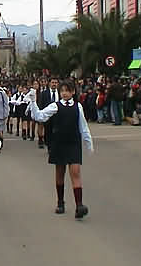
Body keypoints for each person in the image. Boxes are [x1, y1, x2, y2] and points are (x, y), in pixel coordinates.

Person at [28, 80, 93, 220]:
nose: (64, 93)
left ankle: (79, 205)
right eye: (62, 90)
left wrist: (88, 142)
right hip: (59, 142)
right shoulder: (55, 106)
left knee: (75, 172)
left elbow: (83, 126)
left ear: (73, 92)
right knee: (60, 173)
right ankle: (60, 202)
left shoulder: (78, 106)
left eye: (67, 90)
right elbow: (39, 116)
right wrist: (33, 102)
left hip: (73, 142)